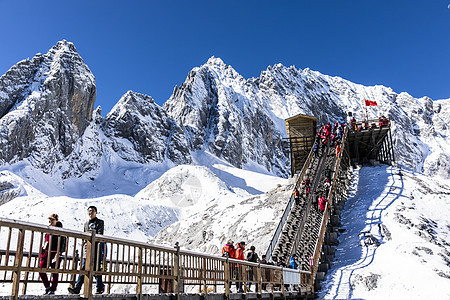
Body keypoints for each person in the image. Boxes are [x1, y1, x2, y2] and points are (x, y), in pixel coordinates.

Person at [68, 206, 105, 295]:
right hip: (87, 251)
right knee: (83, 268)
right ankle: (77, 288)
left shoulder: (100, 222)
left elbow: (100, 235)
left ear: (96, 212)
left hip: (97, 249)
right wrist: (85, 245)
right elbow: (85, 236)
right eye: (89, 211)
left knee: (97, 268)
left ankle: (99, 287)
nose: (90, 213)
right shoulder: (86, 224)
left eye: (92, 211)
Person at [39, 214, 64, 295]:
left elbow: (63, 243)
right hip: (46, 253)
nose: (50, 221)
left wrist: (59, 252)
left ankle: (53, 289)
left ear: (56, 221)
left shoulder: (60, 231)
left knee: (54, 271)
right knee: (41, 269)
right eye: (50, 219)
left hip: (55, 253)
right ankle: (47, 286)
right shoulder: (48, 230)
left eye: (53, 220)